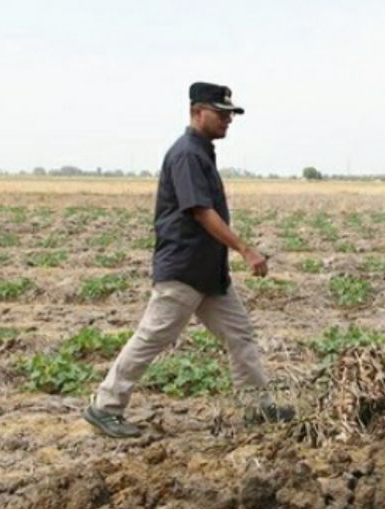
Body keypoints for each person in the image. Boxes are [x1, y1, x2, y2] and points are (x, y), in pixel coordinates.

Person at [83, 81, 294, 438]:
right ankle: (105, 406)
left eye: (231, 114)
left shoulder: (202, 151)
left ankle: (259, 408)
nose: (228, 120)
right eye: (221, 113)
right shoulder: (187, 154)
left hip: (209, 274)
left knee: (240, 334)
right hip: (183, 270)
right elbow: (200, 211)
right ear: (197, 112)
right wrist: (245, 248)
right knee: (153, 337)